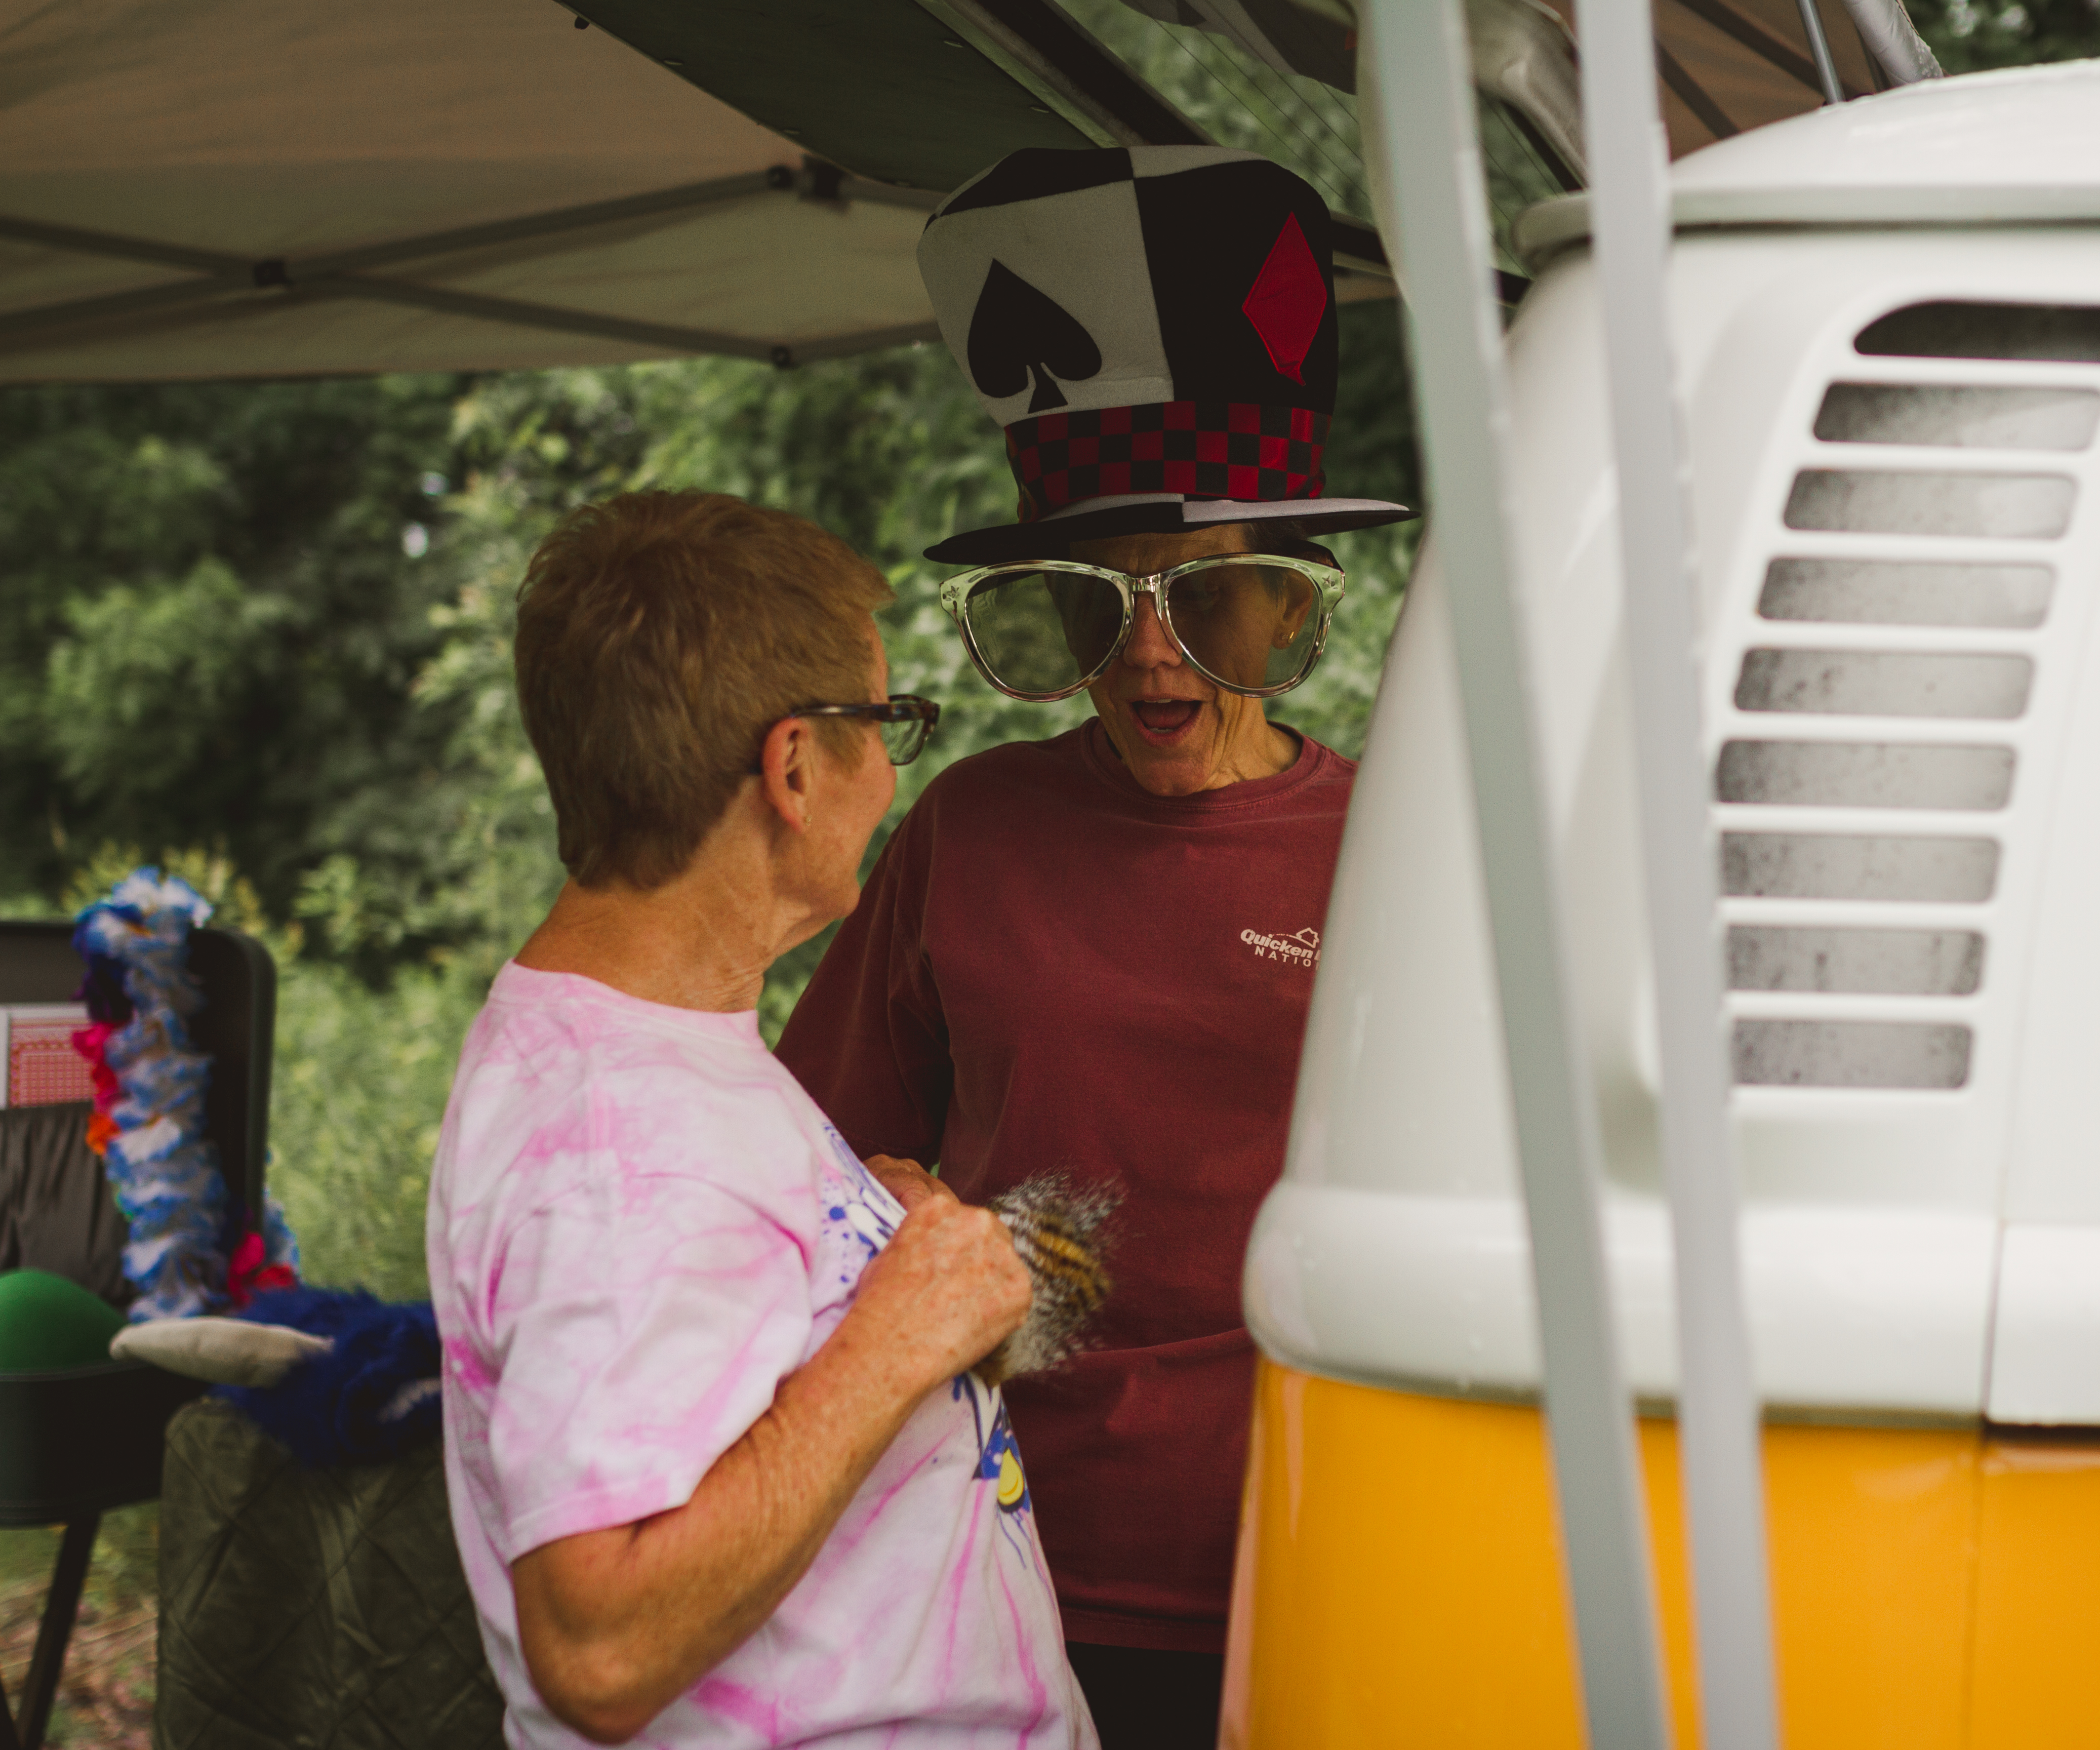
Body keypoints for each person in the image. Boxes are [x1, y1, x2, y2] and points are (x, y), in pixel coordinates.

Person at [775, 146, 1414, 1747]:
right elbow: (815, 1162)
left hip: (1327, 1547)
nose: (1149, 656)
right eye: (1095, 601)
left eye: (1204, 598)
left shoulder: (1406, 837)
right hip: (996, 1545)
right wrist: (902, 1213)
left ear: (1284, 603)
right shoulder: (968, 829)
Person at [426, 491, 1093, 1749]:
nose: (897, 771)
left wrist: (870, 1263)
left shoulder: (644, 1042)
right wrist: (900, 1329)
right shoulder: (622, 1143)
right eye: (889, 723)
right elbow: (599, 1644)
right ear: (793, 767)